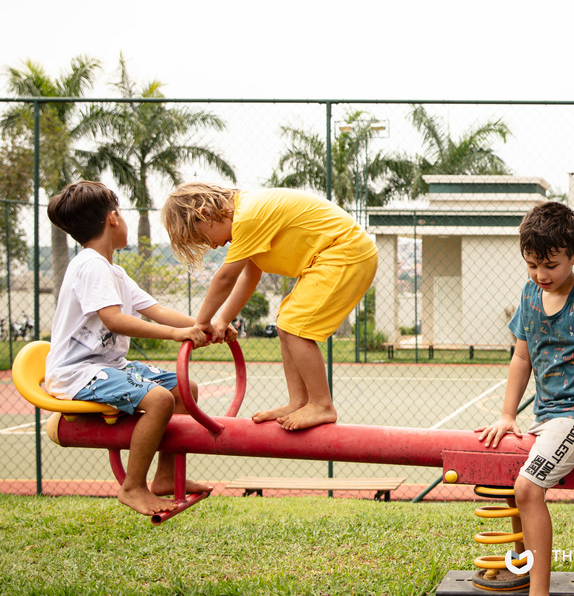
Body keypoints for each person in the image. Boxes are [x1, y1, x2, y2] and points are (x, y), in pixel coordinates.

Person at [477, 201, 574, 596]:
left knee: (528, 488)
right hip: (546, 415)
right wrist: (508, 414)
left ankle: (538, 593)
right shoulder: (530, 294)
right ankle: (522, 566)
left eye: (550, 265)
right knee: (514, 477)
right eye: (532, 264)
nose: (540, 274)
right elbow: (521, 356)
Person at [42, 181, 214, 516]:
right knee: (160, 399)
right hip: (77, 373)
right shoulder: (90, 265)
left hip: (108, 367)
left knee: (184, 388)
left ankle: (165, 477)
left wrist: (203, 326)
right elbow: (114, 320)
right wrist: (175, 335)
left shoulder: (114, 271)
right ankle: (133, 486)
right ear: (113, 218)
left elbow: (157, 310)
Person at [162, 183, 377, 431]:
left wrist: (201, 323)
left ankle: (322, 404)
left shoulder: (249, 217)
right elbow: (249, 277)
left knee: (295, 326)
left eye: (202, 238)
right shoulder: (249, 218)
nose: (212, 247)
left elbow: (225, 279)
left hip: (345, 253)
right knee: (286, 323)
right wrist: (222, 321)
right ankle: (299, 401)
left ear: (205, 214)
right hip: (334, 255)